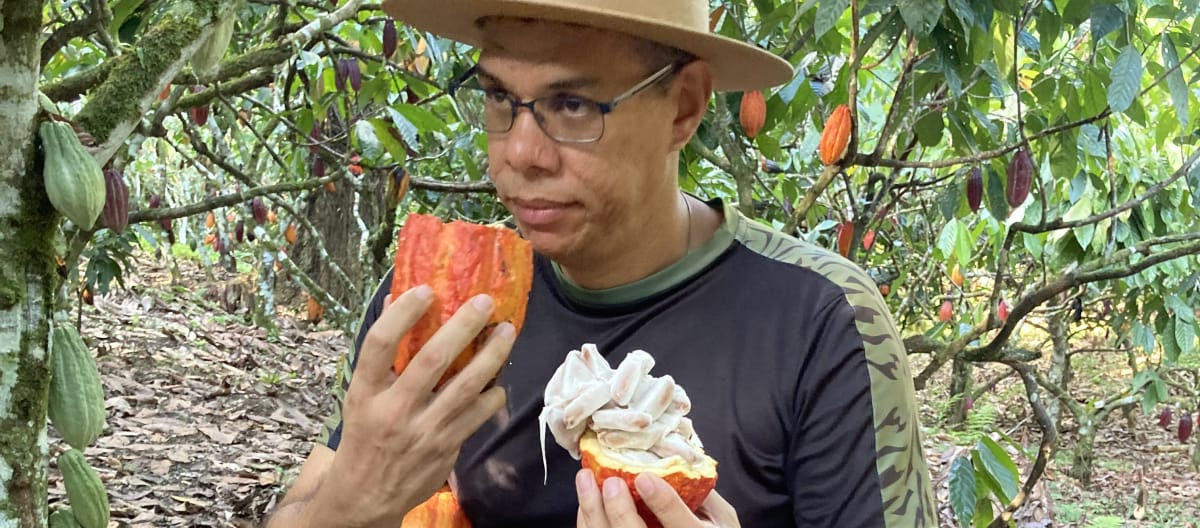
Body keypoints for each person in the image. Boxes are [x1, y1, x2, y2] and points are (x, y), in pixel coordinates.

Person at [264, 0, 938, 526]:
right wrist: (351, 503)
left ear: (684, 107)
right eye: (500, 97)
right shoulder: (438, 298)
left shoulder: (817, 321)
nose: (519, 152)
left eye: (571, 104)